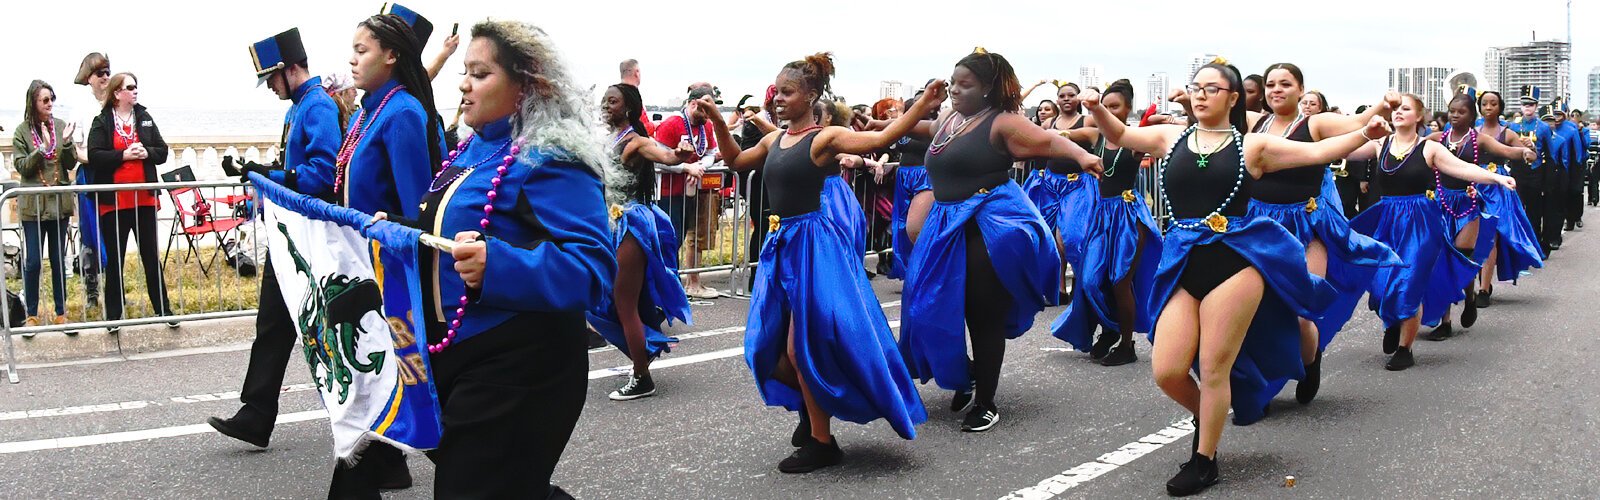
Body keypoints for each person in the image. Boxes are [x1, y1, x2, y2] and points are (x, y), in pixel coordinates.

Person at [1087, 59, 1385, 495]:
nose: (1201, 94)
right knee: (1168, 370)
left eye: (1212, 88)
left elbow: (1318, 153)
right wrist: (1096, 109)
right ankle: (1210, 411)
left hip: (1236, 263)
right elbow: (1118, 134)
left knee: (1213, 366)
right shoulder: (1169, 138)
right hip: (1183, 261)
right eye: (1196, 87)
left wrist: (1364, 134)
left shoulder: (1253, 147)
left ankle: (1204, 459)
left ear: (1231, 98)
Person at [371, 20, 612, 498]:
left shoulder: (552, 157)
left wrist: (496, 266)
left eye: (479, 74)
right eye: (465, 71)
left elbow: (593, 271)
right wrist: (399, 230)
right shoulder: (474, 148)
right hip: (461, 357)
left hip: (524, 366)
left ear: (527, 86)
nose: (463, 84)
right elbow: (455, 232)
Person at [207, 30, 420, 492]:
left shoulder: (320, 105)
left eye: (271, 77)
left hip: (322, 242)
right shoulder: (301, 107)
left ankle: (420, 450)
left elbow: (324, 175)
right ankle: (261, 414)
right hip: (300, 237)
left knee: (355, 348)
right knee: (283, 327)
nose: (269, 87)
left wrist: (273, 174)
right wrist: (264, 171)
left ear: (290, 68)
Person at [701, 52, 928, 473]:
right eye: (776, 92)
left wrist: (923, 104)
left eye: (787, 92)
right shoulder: (774, 140)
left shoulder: (823, 139)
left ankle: (823, 442)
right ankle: (812, 411)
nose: (778, 99)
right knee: (768, 347)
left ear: (810, 95)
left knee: (801, 344)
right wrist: (717, 118)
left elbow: (880, 140)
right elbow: (734, 162)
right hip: (781, 243)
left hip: (814, 245)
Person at [892, 49, 1103, 433]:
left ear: (988, 89)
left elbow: (1051, 142)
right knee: (922, 307)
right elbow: (910, 129)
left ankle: (986, 401)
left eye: (965, 84)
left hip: (985, 226)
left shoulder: (1003, 122)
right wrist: (921, 105)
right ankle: (967, 373)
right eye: (953, 82)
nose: (955, 89)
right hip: (945, 226)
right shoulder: (949, 117)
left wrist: (1082, 156)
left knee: (981, 315)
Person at [323, 11, 449, 495]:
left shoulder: (403, 114)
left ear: (392, 56)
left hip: (389, 277)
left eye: (363, 51)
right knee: (371, 393)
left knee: (396, 393)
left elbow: (418, 210)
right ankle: (385, 467)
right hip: (361, 268)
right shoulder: (364, 111)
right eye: (353, 50)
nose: (352, 60)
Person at [1240, 62, 1401, 406]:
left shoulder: (1315, 123)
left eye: (1285, 84)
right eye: (1270, 84)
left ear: (1300, 90)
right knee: (1255, 309)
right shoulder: (1255, 122)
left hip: (1306, 229)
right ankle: (1261, 386)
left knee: (1301, 311)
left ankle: (1310, 362)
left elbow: (1356, 124)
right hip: (1259, 229)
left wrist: (1382, 108)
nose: (1276, 90)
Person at [1346, 94, 1517, 371]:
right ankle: (1393, 320)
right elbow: (1340, 149)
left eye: (1405, 109)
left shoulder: (1429, 149)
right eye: (1396, 109)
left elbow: (1463, 169)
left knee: (1410, 281)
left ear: (1419, 117)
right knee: (1380, 284)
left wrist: (1497, 177)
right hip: (1387, 220)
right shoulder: (1380, 144)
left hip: (1420, 224)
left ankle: (1405, 348)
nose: (1398, 113)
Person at [1047, 79, 1162, 367]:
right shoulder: (1095, 135)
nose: (1108, 111)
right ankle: (1110, 329)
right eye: (1105, 106)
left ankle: (1127, 344)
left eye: (1115, 107)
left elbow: (1164, 139)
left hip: (1128, 215)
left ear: (1127, 109)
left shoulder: (1137, 138)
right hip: (1099, 214)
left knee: (1120, 281)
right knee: (1090, 279)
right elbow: (1058, 135)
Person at [590, 83, 694, 401]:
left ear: (630, 109)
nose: (606, 105)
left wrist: (680, 154)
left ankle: (641, 377)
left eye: (613, 101)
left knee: (624, 303)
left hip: (629, 226)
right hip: (608, 224)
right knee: (605, 299)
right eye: (604, 100)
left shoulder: (635, 141)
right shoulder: (601, 139)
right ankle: (643, 350)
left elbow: (665, 154)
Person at [1417, 91, 1536, 341]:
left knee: (1461, 258)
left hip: (1468, 205)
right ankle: (1445, 320)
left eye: (1462, 112)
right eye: (1452, 111)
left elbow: (1506, 150)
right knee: (1442, 260)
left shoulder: (1478, 140)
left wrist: (1525, 152)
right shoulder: (1437, 138)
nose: (1456, 116)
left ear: (1472, 115)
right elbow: (1412, 150)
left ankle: (1469, 295)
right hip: (1441, 204)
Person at [85, 73, 176, 334]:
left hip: (144, 199)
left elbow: (163, 151)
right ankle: (113, 316)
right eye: (130, 87)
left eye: (136, 87)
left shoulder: (144, 117)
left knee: (150, 255)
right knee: (115, 259)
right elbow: (95, 155)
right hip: (113, 202)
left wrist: (146, 152)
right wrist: (123, 154)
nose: (135, 92)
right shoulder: (102, 121)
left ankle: (163, 309)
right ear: (117, 93)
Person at [12, 80, 78, 333]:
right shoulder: (22, 132)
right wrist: (41, 147)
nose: (50, 104)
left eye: (52, 99)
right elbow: (22, 167)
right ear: (34, 103)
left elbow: (70, 164)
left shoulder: (60, 126)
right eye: (45, 100)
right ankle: (31, 315)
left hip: (59, 204)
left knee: (58, 260)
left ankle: (62, 313)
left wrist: (68, 142)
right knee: (33, 263)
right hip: (34, 206)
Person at [1468, 90, 1544, 308]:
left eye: (1493, 103)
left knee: (1491, 236)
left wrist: (1529, 150)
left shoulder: (1507, 133)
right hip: (1475, 185)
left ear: (1500, 107)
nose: (1489, 107)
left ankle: (1484, 288)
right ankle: (1476, 282)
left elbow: (1529, 155)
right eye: (1485, 103)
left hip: (1498, 188)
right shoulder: (1473, 132)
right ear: (1479, 107)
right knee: (1473, 236)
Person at [653, 83, 720, 299]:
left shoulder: (706, 126)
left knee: (681, 237)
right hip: (668, 192)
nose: (708, 115)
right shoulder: (671, 124)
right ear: (693, 104)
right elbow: (658, 157)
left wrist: (701, 167)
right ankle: (662, 286)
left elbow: (711, 152)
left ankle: (672, 285)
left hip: (690, 191)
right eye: (705, 109)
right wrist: (685, 167)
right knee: (668, 238)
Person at [68, 53, 109, 310]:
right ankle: (92, 291)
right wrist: (96, 158)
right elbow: (76, 149)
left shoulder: (116, 102)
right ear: (89, 78)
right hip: (89, 174)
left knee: (112, 230)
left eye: (107, 72)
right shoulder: (81, 108)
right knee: (90, 234)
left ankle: (113, 288)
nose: (105, 77)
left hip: (110, 174)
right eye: (99, 73)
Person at [1506, 85, 1558, 253]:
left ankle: (1536, 247)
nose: (1527, 108)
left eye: (1531, 105)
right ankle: (1519, 247)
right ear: (1520, 106)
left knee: (1535, 214)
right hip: (1518, 172)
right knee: (1518, 211)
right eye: (1524, 104)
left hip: (1536, 174)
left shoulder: (1543, 127)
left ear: (1536, 106)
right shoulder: (1513, 127)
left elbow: (1551, 157)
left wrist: (1548, 183)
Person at [619, 59, 656, 134]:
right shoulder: (631, 97)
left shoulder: (616, 94)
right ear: (637, 73)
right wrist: (655, 125)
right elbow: (637, 129)